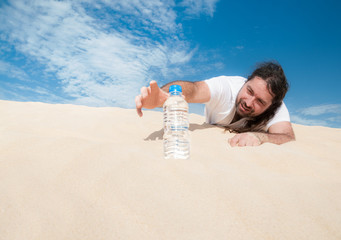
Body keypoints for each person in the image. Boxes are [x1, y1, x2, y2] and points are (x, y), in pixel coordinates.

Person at [135, 61, 295, 147]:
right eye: (249, 91)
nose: (249, 102)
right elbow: (194, 89)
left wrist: (259, 137)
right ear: (245, 82)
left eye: (260, 101)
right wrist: (164, 95)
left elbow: (286, 137)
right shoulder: (227, 87)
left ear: (271, 106)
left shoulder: (277, 108)